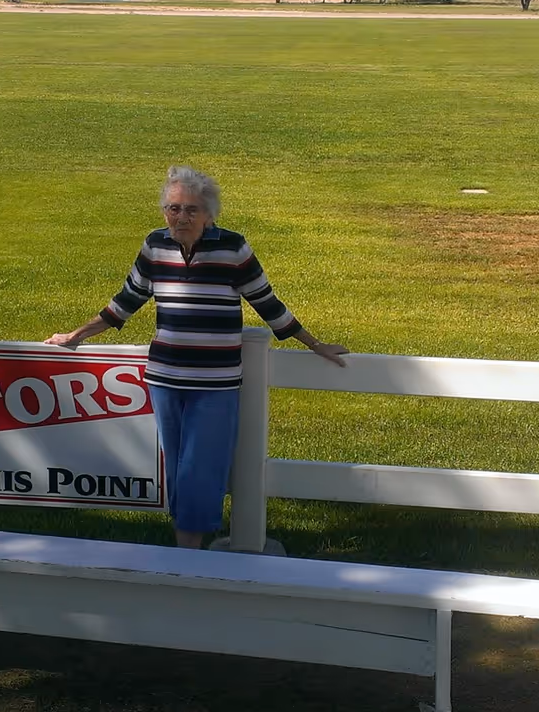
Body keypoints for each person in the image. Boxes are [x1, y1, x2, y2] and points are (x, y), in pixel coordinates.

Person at [46, 166, 348, 549]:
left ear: (209, 215)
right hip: (164, 381)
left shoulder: (233, 248)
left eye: (191, 209)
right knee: (176, 469)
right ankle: (188, 555)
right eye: (173, 208)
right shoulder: (154, 246)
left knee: (199, 471)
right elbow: (125, 303)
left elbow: (269, 305)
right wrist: (74, 336)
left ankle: (188, 559)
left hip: (215, 384)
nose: (181, 217)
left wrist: (315, 344)